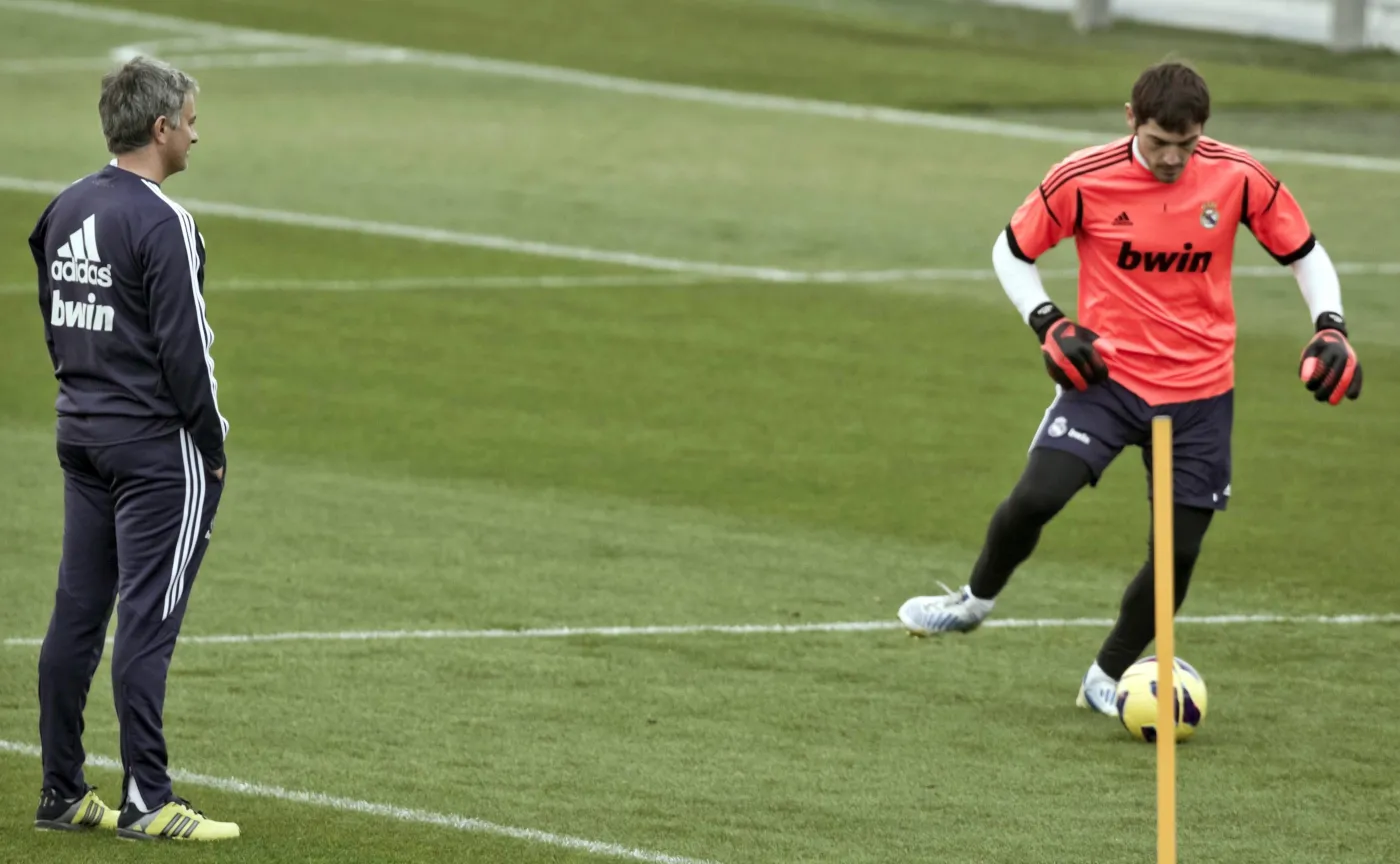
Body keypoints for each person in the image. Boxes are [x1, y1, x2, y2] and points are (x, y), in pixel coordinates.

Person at [895, 61, 1362, 714]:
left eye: (1187, 144)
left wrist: (1331, 327)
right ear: (1129, 120)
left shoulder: (1238, 177)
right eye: (1157, 142)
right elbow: (1011, 249)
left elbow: (1305, 253)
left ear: (1204, 131)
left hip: (1200, 395)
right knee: (1036, 498)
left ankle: (1106, 677)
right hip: (1106, 382)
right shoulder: (1083, 178)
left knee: (1176, 556)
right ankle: (972, 601)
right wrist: (1047, 322)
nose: (1172, 159)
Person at [29, 55, 239, 841]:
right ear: (159, 128)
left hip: (79, 431)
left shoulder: (66, 205)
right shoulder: (163, 221)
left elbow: (55, 315)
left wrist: (81, 388)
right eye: (188, 120)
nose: (195, 134)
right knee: (147, 620)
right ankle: (149, 799)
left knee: (77, 615)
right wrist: (211, 446)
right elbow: (188, 352)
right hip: (154, 447)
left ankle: (62, 790)